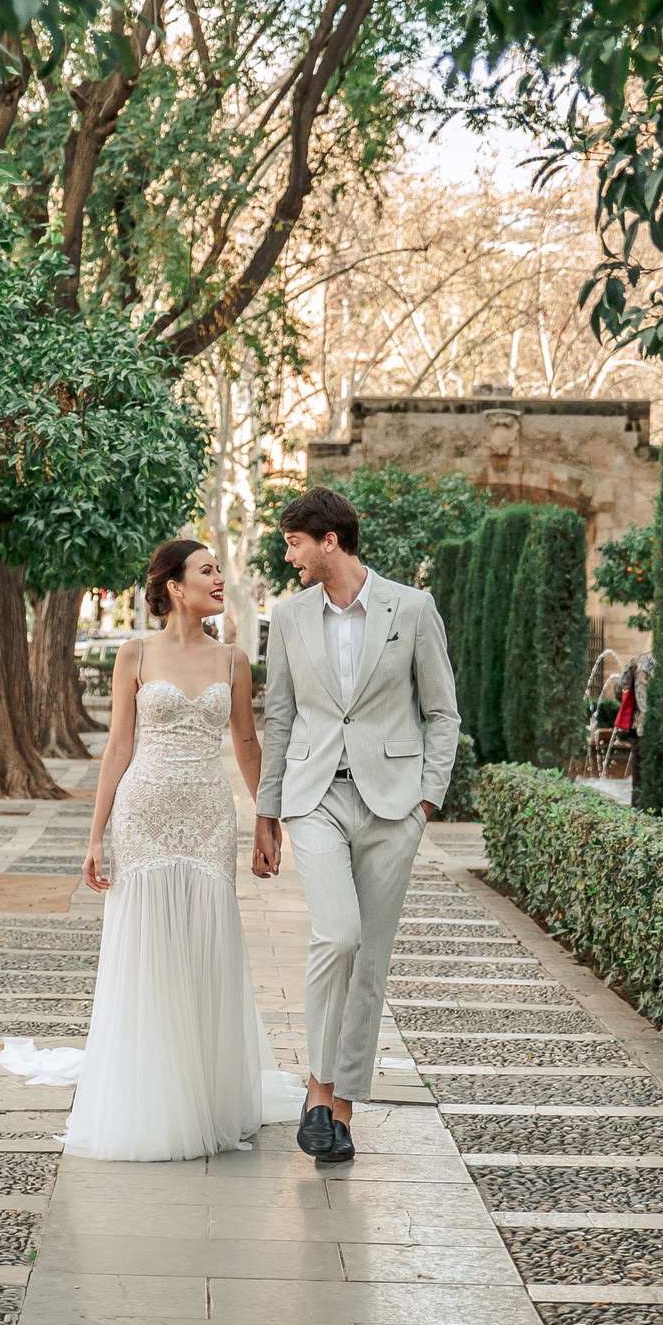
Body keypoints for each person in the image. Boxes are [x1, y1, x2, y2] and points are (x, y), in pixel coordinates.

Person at [0, 539, 302, 1159]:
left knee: (205, 944)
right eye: (208, 571)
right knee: (148, 947)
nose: (220, 579)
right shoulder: (134, 655)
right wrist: (94, 834)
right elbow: (118, 747)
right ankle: (153, 1097)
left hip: (209, 818)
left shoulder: (234, 659)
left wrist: (267, 822)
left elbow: (248, 747)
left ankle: (208, 1094)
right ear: (174, 586)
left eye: (220, 570)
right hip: (144, 814)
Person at [252, 487, 461, 1166]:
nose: (290, 557)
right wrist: (266, 810)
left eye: (294, 542)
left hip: (393, 804)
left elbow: (443, 711)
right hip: (315, 797)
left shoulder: (413, 607)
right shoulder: (287, 618)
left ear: (329, 541)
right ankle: (317, 1090)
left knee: (368, 957)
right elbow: (279, 717)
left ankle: (339, 1111)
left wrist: (426, 799)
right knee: (336, 936)